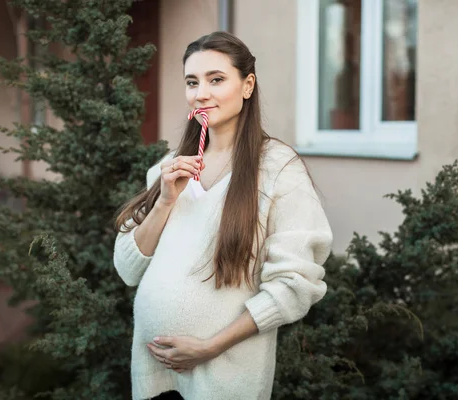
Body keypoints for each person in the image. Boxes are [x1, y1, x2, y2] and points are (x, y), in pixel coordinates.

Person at [113, 31, 333, 400]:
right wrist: (165, 201)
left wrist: (211, 346)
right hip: (153, 375)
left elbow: (296, 284)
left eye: (216, 80)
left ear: (247, 86)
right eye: (192, 82)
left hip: (224, 378)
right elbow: (127, 268)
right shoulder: (169, 168)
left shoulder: (278, 169)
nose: (201, 93)